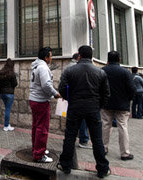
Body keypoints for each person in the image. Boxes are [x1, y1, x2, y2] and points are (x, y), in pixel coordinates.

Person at [58, 45, 110, 178]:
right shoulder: (100, 72)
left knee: (70, 137)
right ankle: (102, 169)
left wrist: (69, 99)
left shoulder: (70, 71)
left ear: (79, 56)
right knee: (97, 139)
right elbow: (106, 93)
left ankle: (65, 165)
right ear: (91, 56)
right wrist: (98, 106)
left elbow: (62, 88)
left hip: (75, 107)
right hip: (93, 108)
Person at [101, 51, 135, 161]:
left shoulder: (102, 71)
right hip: (122, 104)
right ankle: (125, 153)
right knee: (123, 127)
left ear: (108, 59)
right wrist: (128, 99)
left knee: (106, 126)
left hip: (106, 103)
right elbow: (132, 89)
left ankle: (103, 148)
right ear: (119, 59)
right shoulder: (125, 72)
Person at [29, 47, 61, 163]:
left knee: (36, 127)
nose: (51, 58)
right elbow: (46, 85)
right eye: (51, 56)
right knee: (42, 128)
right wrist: (55, 94)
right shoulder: (42, 67)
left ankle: (37, 148)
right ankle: (39, 154)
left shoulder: (37, 66)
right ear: (46, 57)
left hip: (35, 99)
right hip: (40, 101)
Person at [68, 52, 91, 149]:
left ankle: (70, 139)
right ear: (78, 58)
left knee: (72, 119)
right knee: (83, 120)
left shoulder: (68, 67)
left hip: (72, 97)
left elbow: (64, 84)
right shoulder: (80, 68)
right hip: (81, 98)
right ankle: (83, 140)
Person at [0, 58, 17, 131]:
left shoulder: (1, 73)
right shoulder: (12, 73)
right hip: (9, 93)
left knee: (6, 108)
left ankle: (8, 124)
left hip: (2, 93)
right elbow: (15, 83)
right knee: (7, 109)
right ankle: (6, 126)